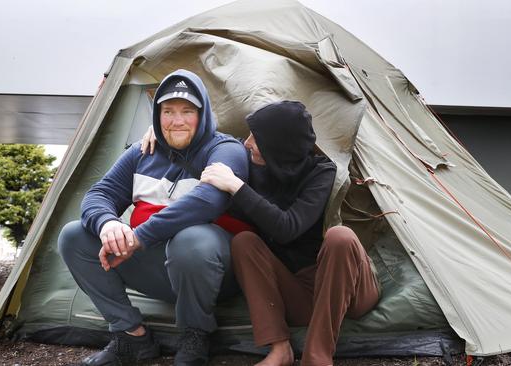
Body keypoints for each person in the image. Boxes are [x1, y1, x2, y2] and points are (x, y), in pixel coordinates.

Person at [142, 100, 380, 366]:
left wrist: (237, 186)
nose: (248, 142)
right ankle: (279, 349)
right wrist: (167, 135)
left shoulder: (321, 172)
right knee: (244, 242)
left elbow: (287, 228)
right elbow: (210, 146)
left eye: (257, 138)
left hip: (349, 290)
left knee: (341, 237)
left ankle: (317, 357)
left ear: (278, 146)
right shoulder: (250, 160)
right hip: (299, 293)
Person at [58, 69, 249, 366]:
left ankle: (195, 335)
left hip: (215, 273)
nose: (177, 120)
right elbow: (99, 194)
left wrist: (138, 236)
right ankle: (132, 337)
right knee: (74, 236)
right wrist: (110, 223)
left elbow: (208, 201)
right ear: (157, 116)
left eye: (188, 111)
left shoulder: (225, 149)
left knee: (193, 239)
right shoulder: (142, 152)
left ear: (204, 114)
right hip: (157, 267)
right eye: (168, 111)